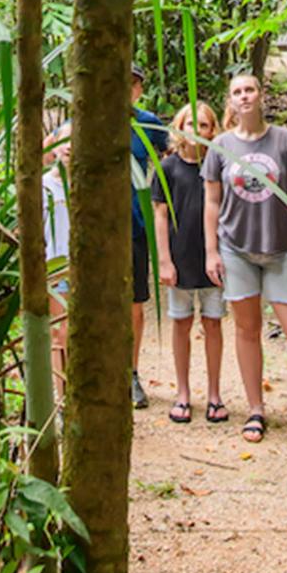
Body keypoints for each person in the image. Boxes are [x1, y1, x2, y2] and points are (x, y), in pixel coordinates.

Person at [202, 74, 287, 443]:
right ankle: (255, 409)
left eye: (250, 90)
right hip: (236, 248)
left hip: (282, 247)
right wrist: (211, 251)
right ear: (230, 101)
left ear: (261, 95)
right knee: (247, 329)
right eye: (237, 92)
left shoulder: (285, 140)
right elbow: (211, 202)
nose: (244, 96)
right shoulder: (219, 145)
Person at [153, 102, 229, 424]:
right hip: (180, 258)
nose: (197, 131)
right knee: (181, 323)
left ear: (213, 131)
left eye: (205, 125)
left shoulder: (218, 165)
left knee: (213, 324)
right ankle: (182, 392)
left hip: (212, 259)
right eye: (190, 124)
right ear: (179, 128)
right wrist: (164, 260)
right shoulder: (168, 167)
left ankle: (214, 394)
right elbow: (160, 215)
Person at [129, 64, 169, 409]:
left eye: (132, 83)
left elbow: (178, 152)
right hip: (92, 228)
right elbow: (51, 150)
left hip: (134, 225)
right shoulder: (85, 119)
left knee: (134, 302)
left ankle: (131, 373)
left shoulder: (148, 122)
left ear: (139, 89)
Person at [42, 122, 72, 398]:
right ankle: (62, 399)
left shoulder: (92, 186)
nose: (70, 146)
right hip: (55, 269)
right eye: (65, 140)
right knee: (59, 333)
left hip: (85, 270)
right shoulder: (44, 186)